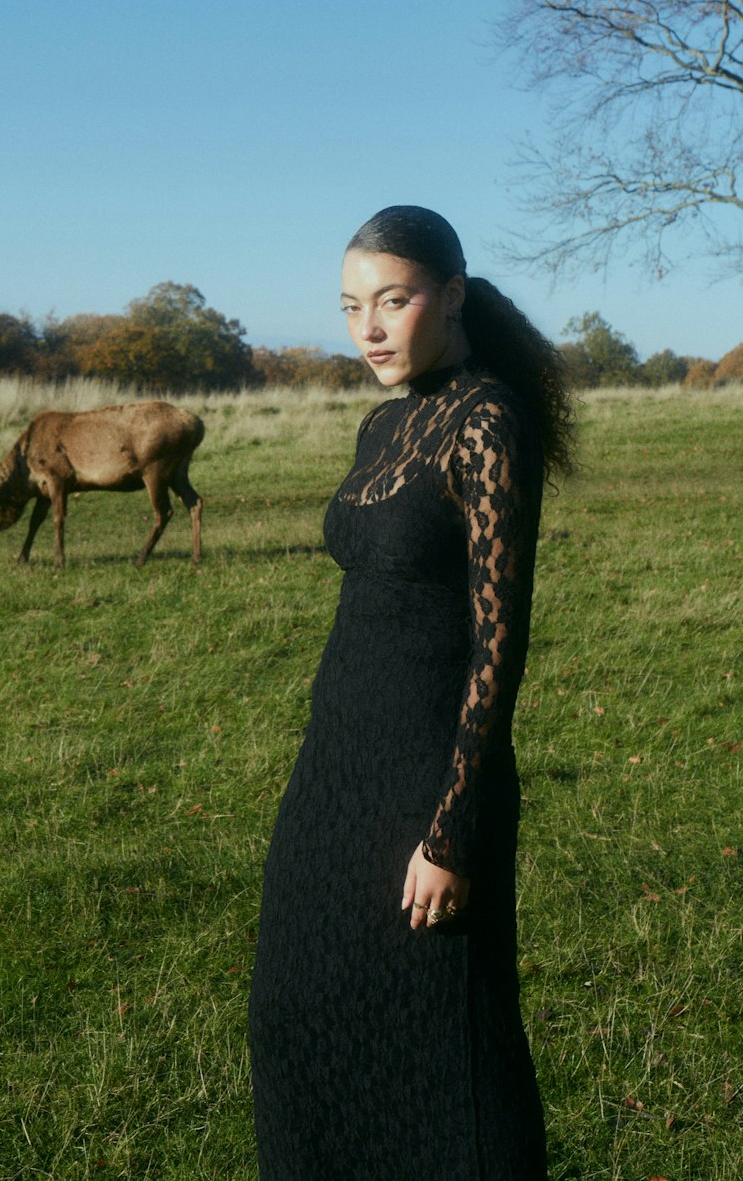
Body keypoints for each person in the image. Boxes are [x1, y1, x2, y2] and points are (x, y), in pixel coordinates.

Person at [248, 206, 574, 1180]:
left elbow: (497, 638)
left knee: (441, 1032)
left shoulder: (486, 423)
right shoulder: (383, 422)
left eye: (393, 299)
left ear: (454, 294)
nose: (370, 328)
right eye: (352, 307)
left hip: (431, 774)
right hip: (337, 767)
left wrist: (452, 828)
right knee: (293, 1008)